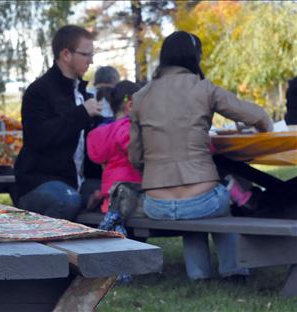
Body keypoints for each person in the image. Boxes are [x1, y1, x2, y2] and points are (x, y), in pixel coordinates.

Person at [128, 31, 273, 280]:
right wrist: (263, 129)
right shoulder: (203, 88)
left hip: (157, 204)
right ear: (195, 57)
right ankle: (234, 271)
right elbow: (259, 117)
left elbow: (135, 156)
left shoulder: (141, 97)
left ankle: (199, 275)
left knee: (194, 211)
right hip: (202, 200)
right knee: (219, 201)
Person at [14, 25, 104, 221]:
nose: (91, 60)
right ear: (66, 54)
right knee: (67, 200)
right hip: (38, 182)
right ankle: (42, 250)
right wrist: (82, 114)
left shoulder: (82, 93)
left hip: (77, 181)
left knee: (116, 195)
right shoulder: (39, 91)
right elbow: (38, 137)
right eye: (86, 54)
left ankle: (116, 251)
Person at [87, 80, 144, 215]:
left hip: (111, 193)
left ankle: (103, 198)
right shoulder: (128, 130)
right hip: (130, 191)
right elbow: (138, 153)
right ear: (130, 105)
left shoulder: (104, 132)